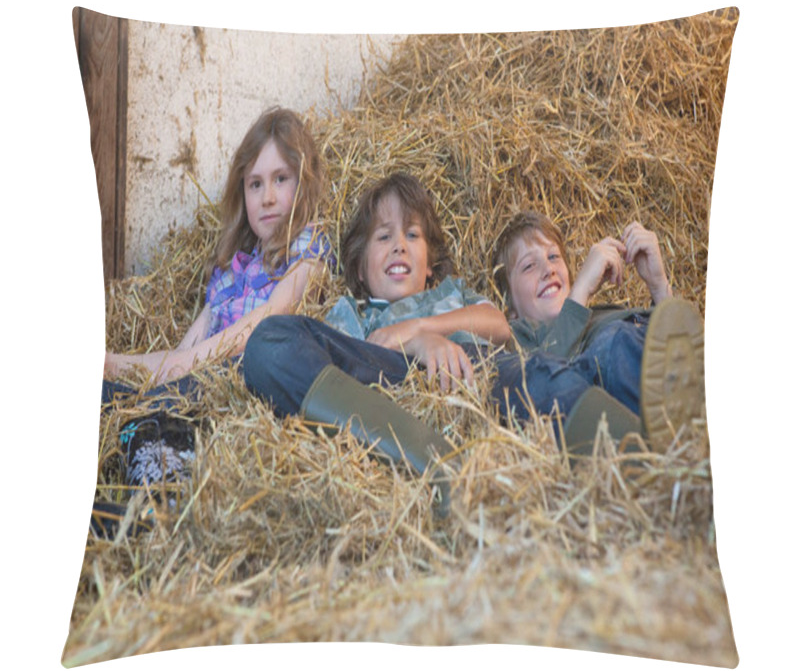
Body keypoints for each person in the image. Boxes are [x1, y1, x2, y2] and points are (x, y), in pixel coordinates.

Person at [97, 107, 332, 517]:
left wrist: (181, 366)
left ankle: (156, 514)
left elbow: (269, 320)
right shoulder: (230, 272)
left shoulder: (309, 253)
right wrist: (119, 365)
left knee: (145, 404)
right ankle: (137, 511)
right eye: (255, 184)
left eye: (281, 179)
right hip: (195, 383)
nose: (269, 197)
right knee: (113, 397)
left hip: (241, 393)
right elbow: (183, 350)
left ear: (304, 182)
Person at [242, 172, 511, 515]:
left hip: (470, 372)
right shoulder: (352, 315)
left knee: (547, 373)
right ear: (359, 268)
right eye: (384, 236)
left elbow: (499, 325)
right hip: (382, 380)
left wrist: (420, 331)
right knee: (270, 340)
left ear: (429, 266)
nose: (399, 244)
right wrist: (409, 349)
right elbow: (331, 373)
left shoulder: (452, 293)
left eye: (412, 235)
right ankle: (440, 468)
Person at [491, 210, 705, 454]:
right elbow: (548, 376)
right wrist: (581, 290)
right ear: (510, 308)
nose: (548, 269)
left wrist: (658, 286)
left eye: (553, 256)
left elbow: (675, 338)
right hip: (624, 378)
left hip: (672, 369)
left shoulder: (606, 313)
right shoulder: (519, 334)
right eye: (529, 265)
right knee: (614, 344)